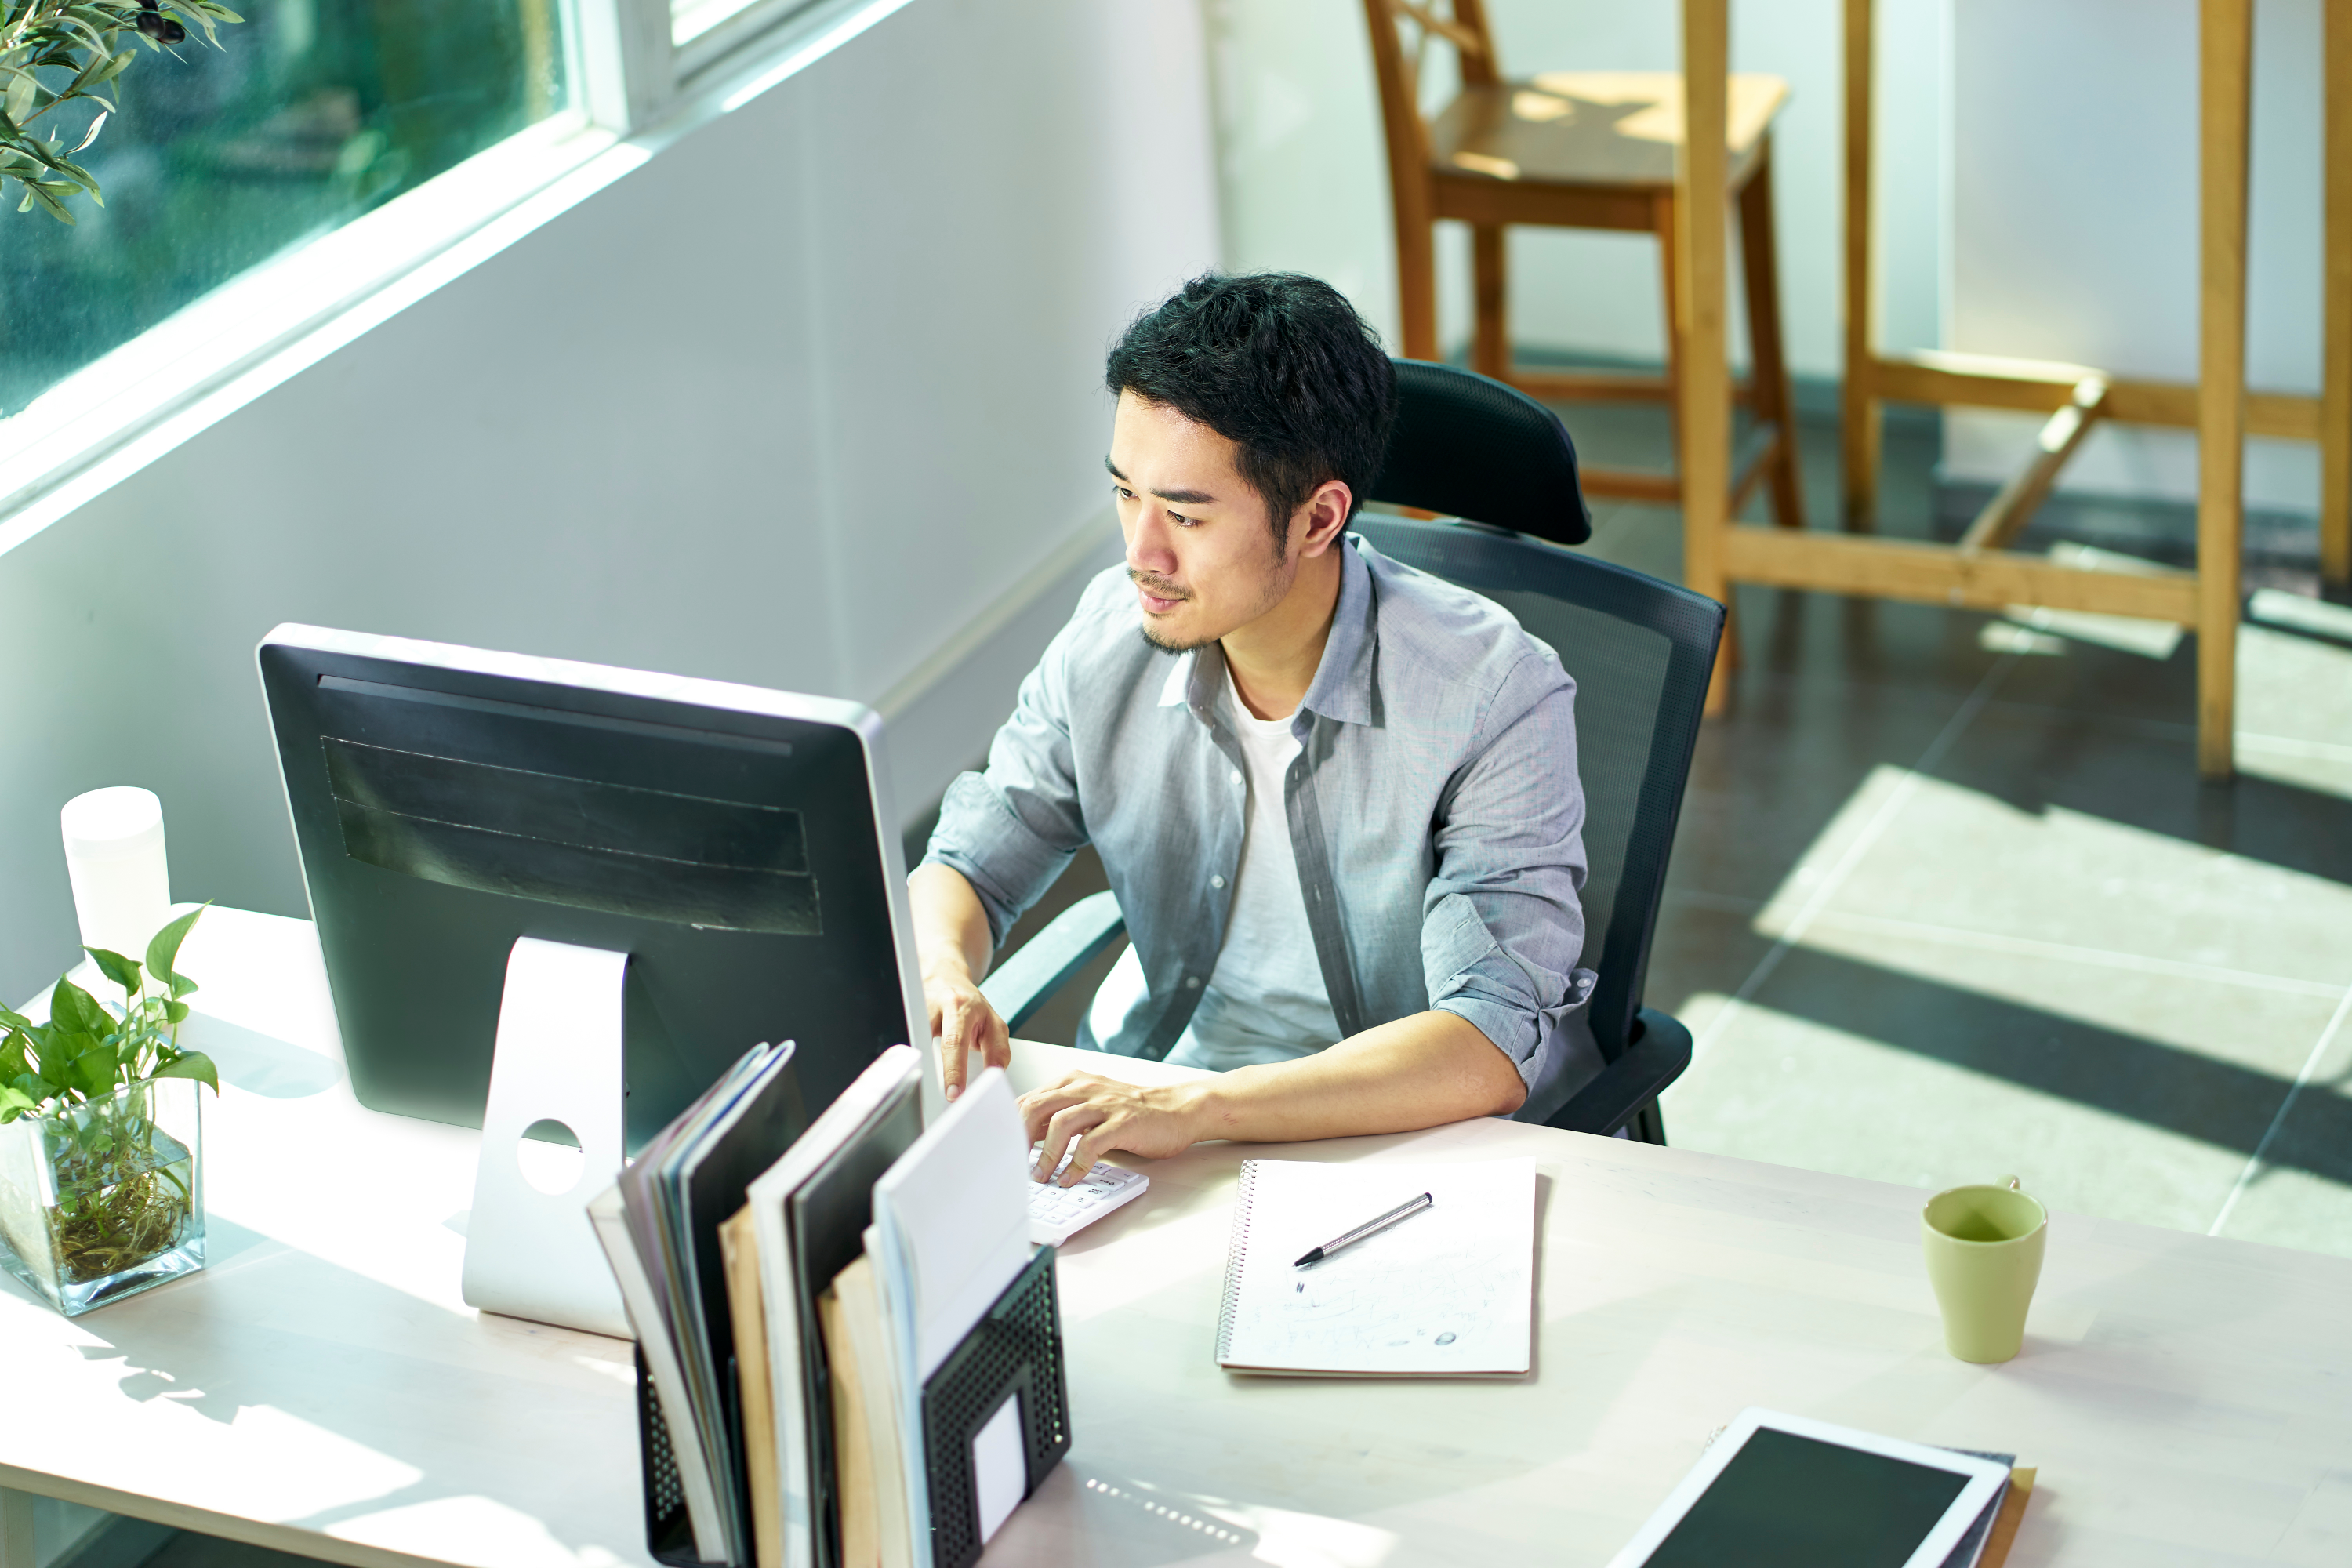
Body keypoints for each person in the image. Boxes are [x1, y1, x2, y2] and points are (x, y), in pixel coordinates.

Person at [911, 271, 1601, 1184]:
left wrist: (1203, 1107)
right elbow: (971, 856)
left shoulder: (1492, 691)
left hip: (1392, 1139)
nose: (1141, 554)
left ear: (1318, 517)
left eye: (1186, 514)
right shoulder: (1108, 637)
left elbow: (1486, 1042)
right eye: (1127, 494)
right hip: (1157, 1108)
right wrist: (942, 976)